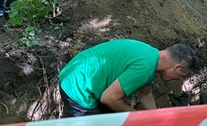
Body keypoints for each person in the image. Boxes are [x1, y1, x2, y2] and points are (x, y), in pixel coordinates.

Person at [58, 39, 197, 117]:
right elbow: (108, 98)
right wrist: (137, 117)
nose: (178, 79)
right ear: (177, 68)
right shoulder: (145, 67)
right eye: (181, 76)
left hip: (78, 75)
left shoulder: (150, 55)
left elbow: (146, 94)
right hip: (78, 86)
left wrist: (155, 118)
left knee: (110, 123)